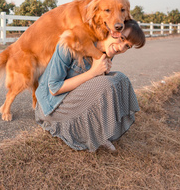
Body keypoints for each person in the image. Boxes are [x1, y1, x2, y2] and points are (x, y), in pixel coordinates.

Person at [35, 19, 146, 152]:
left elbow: (94, 91)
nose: (122, 48)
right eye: (122, 38)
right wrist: (93, 73)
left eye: (128, 46)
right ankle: (89, 133)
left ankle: (100, 133)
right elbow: (54, 88)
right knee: (107, 84)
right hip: (52, 107)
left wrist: (102, 73)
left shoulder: (107, 52)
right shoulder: (71, 42)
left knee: (120, 79)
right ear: (110, 30)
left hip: (73, 100)